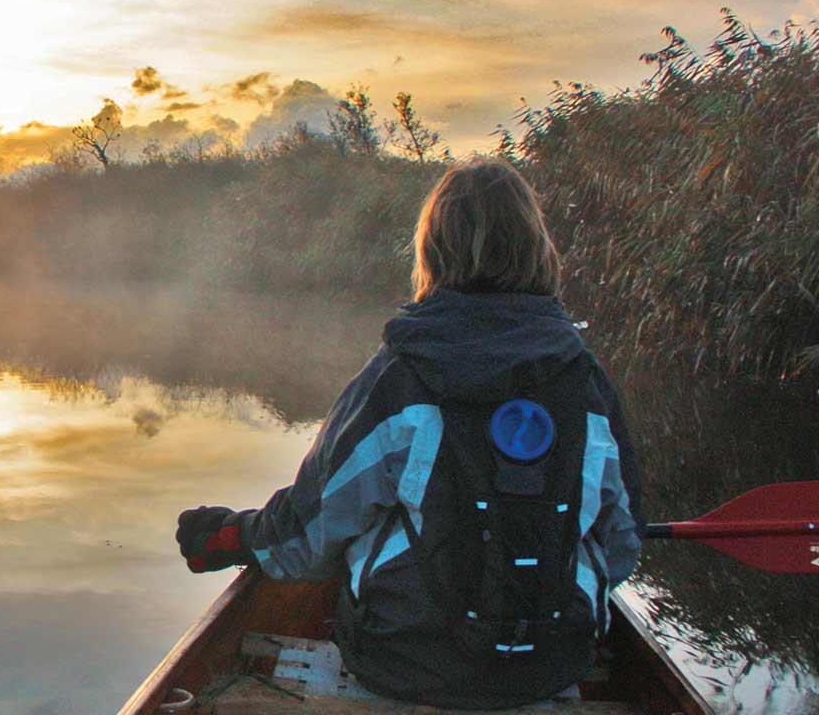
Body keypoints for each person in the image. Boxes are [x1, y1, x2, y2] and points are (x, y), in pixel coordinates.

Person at [174, 158, 644, 710]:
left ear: (433, 251)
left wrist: (233, 535)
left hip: (402, 666)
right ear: (537, 250)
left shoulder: (401, 378)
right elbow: (621, 546)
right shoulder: (585, 383)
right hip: (552, 666)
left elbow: (307, 538)